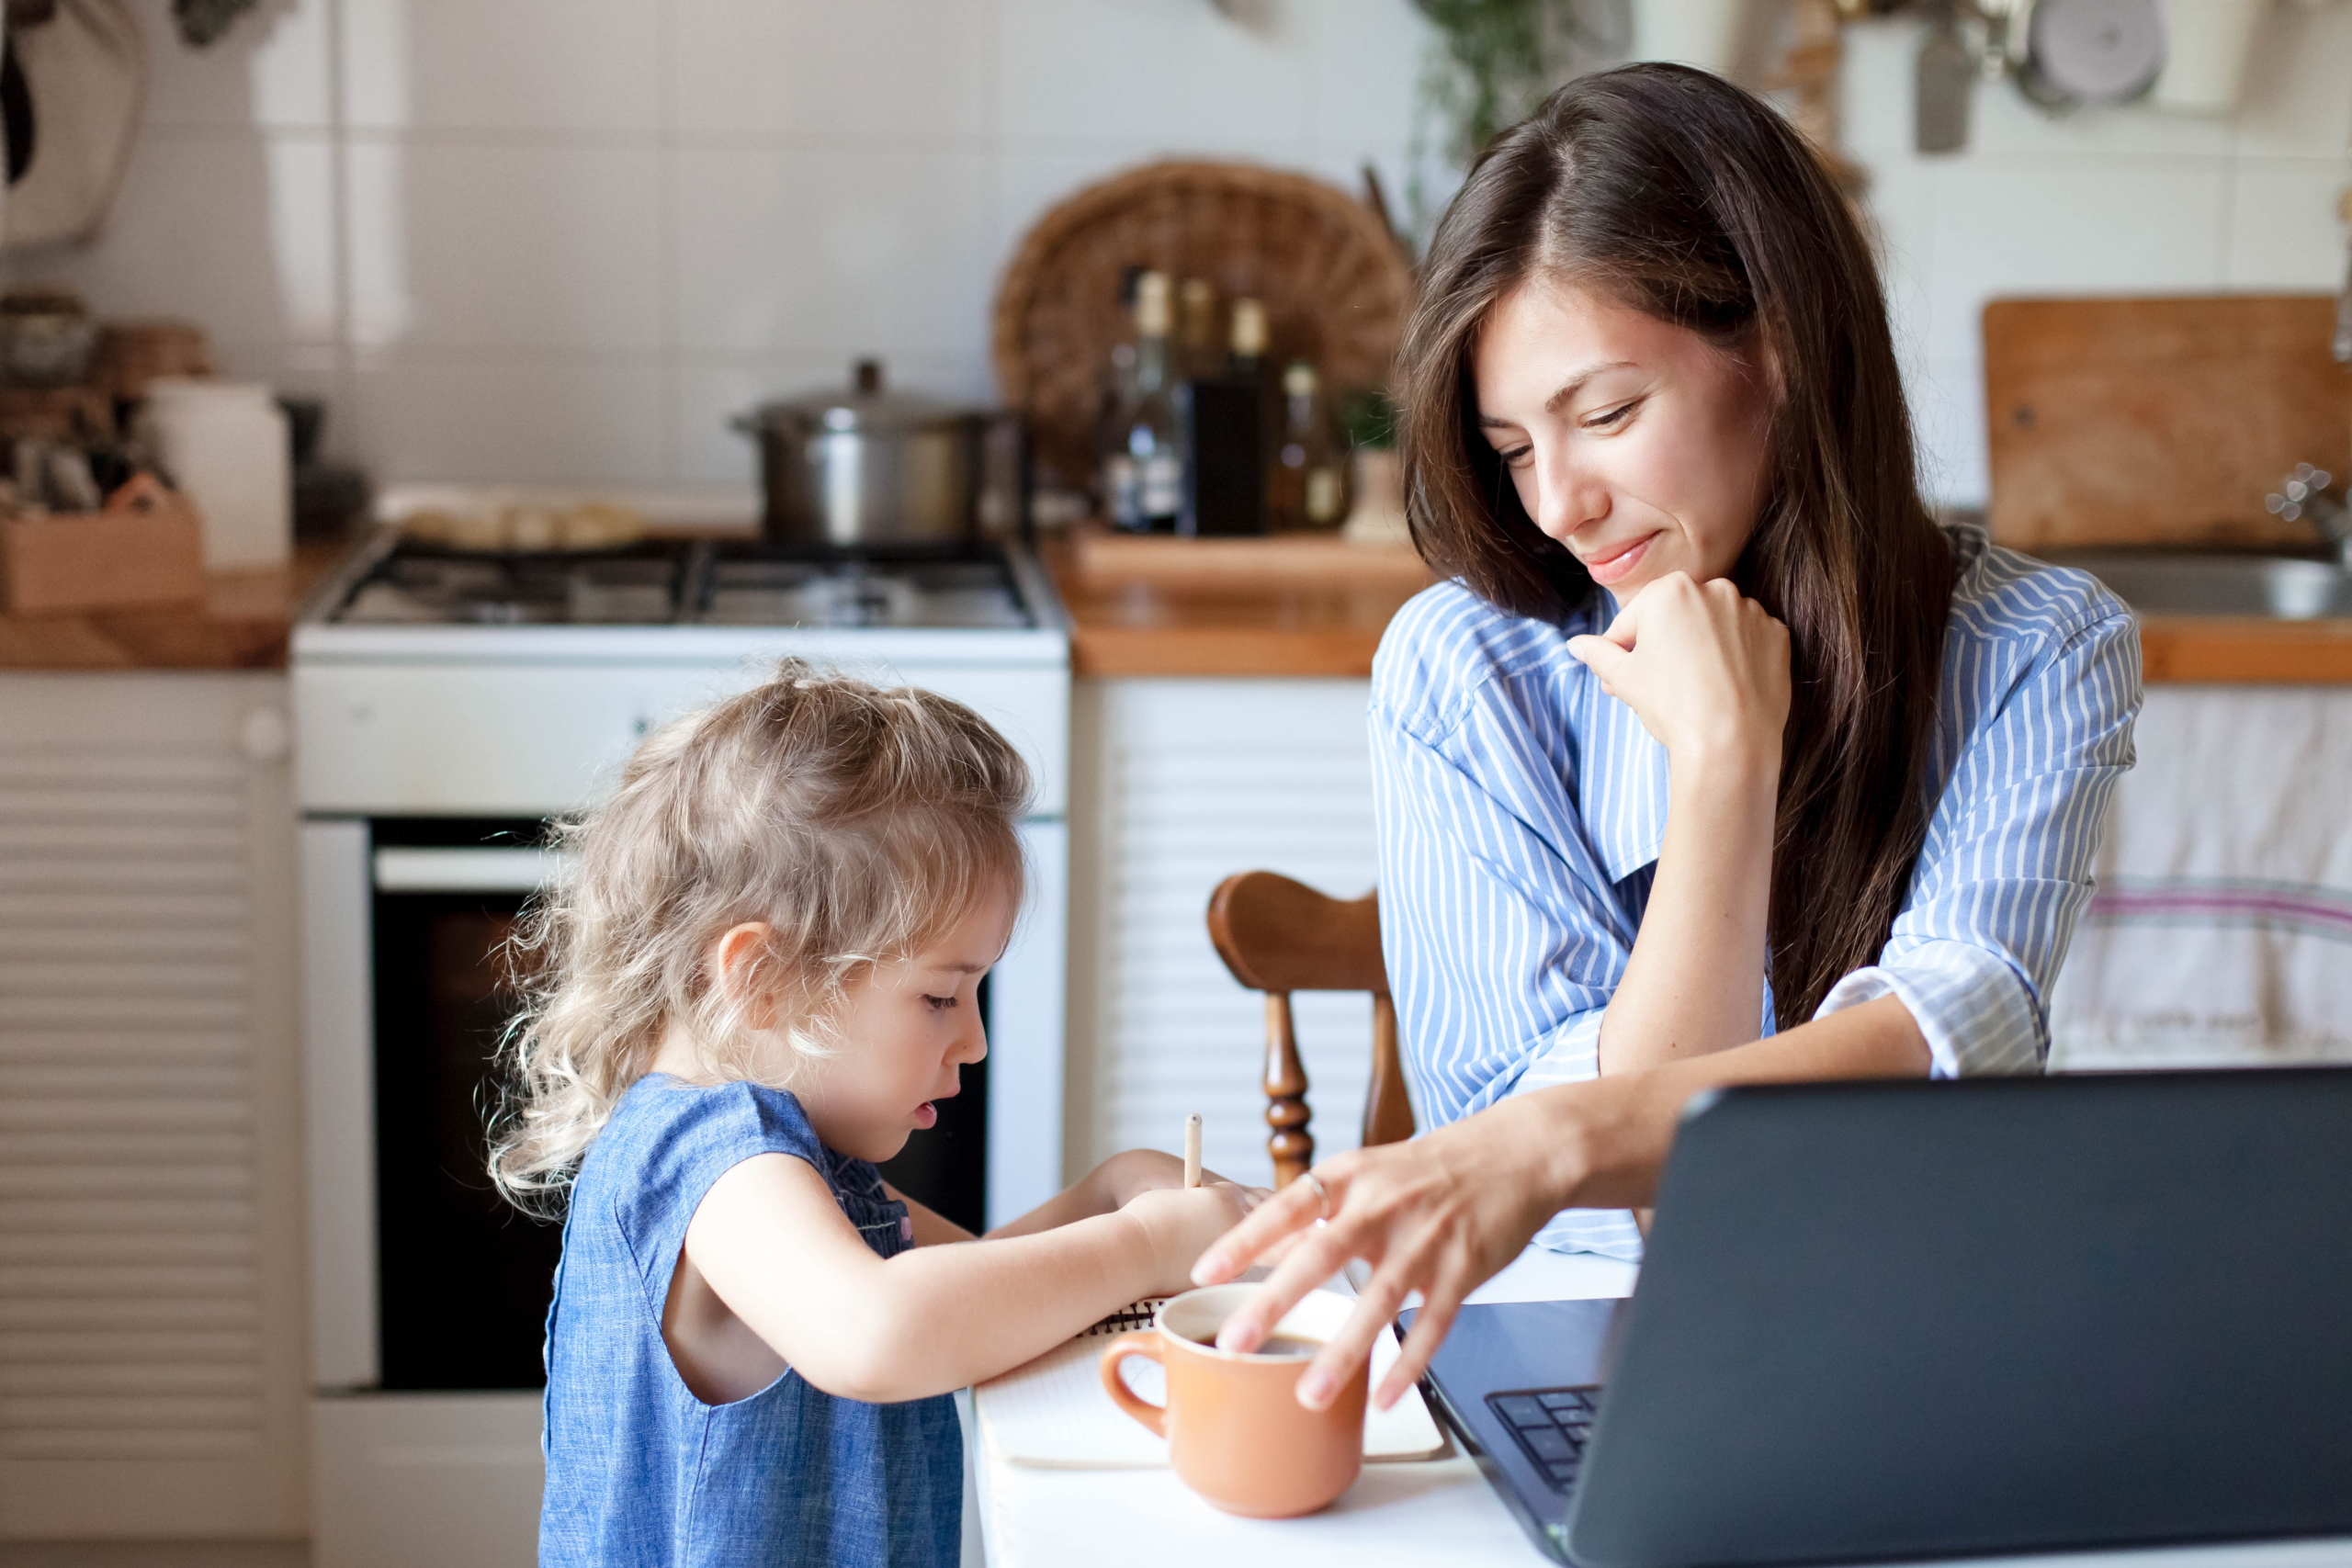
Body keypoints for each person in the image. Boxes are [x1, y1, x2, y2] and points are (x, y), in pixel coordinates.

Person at [1194, 64, 2141, 1414]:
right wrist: (1720, 774)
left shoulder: (2040, 646)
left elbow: (1947, 1027)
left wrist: (1550, 1138)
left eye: (1607, 414)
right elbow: (1610, 1201)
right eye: (1512, 447)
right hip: (1559, 1337)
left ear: (1781, 349)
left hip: (1894, 1334)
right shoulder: (1466, 667)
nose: (1559, 504)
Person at [491, 663, 1259, 1568]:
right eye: (940, 996)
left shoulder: (803, 1161)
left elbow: (975, 1293)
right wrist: (1144, 1246)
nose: (974, 1040)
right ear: (765, 980)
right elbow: (880, 1330)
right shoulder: (716, 1162)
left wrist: (1110, 1192)